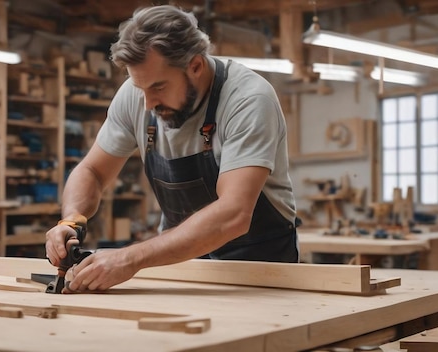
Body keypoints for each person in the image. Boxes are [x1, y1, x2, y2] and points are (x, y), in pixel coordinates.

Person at [45, 4, 299, 292]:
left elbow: (234, 214)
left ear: (196, 66)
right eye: (140, 88)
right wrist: (71, 219)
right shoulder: (137, 94)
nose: (148, 104)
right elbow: (92, 171)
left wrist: (129, 257)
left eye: (159, 87)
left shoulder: (249, 100)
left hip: (259, 270)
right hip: (181, 266)